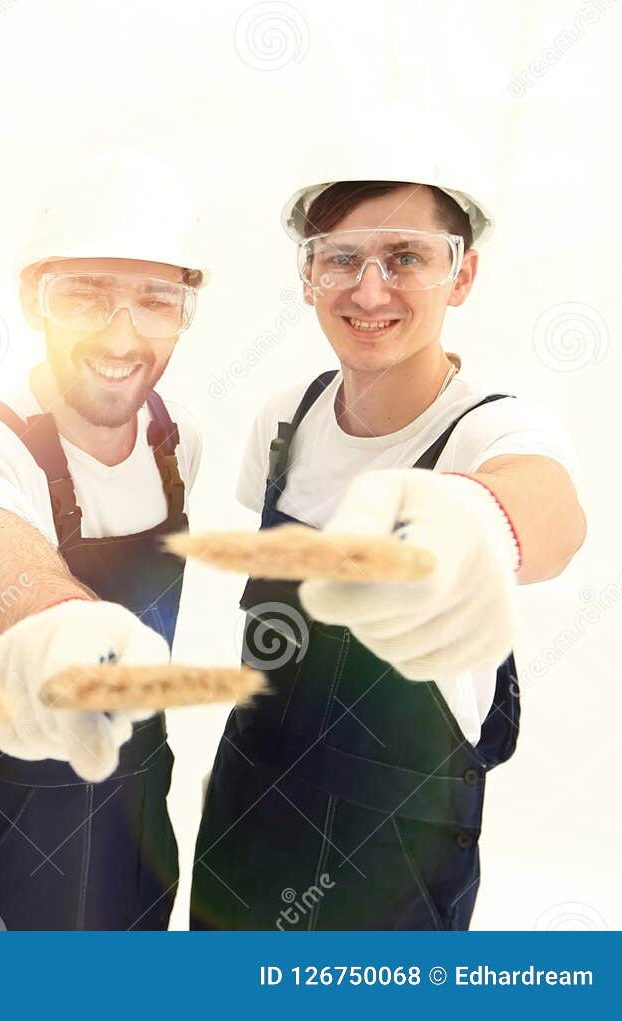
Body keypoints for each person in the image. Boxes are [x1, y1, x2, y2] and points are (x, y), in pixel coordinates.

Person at [190, 144, 586, 930]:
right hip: (244, 827)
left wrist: (474, 523)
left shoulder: (489, 429)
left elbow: (551, 511)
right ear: (309, 275)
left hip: (392, 871)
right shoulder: (285, 418)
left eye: (407, 257)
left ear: (461, 275)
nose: (370, 290)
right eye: (341, 257)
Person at [0, 152, 206, 930]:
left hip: (141, 810)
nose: (122, 335)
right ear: (31, 299)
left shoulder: (176, 438)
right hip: (17, 826)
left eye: (156, 300)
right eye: (85, 296)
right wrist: (62, 629)